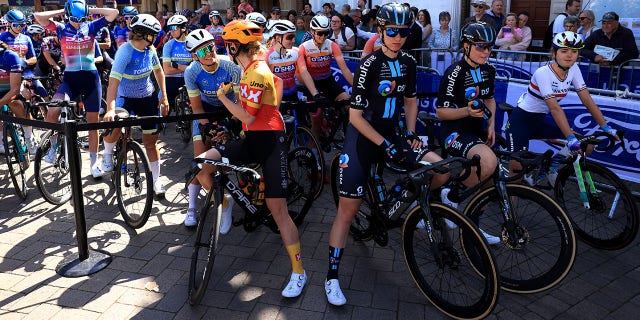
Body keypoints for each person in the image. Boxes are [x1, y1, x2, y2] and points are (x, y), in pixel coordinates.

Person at [326, 3, 448, 306]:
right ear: (380, 31)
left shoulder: (407, 62)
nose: (397, 36)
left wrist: (408, 132)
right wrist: (386, 144)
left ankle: (401, 200)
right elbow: (355, 118)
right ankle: (331, 276)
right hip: (363, 136)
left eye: (403, 31)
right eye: (391, 31)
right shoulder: (369, 64)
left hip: (393, 132)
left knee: (440, 170)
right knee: (348, 210)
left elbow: (410, 101)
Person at [195, 19, 308, 299]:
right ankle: (228, 202)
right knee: (202, 165)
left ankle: (299, 272)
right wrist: (240, 94)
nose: (225, 49)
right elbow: (275, 84)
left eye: (227, 45)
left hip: (270, 142)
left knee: (277, 209)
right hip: (251, 139)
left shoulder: (256, 70)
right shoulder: (249, 69)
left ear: (233, 46)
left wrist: (224, 97)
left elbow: (246, 115)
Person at [505, 31, 617, 175]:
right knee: (517, 171)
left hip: (539, 121)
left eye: (574, 51)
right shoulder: (543, 72)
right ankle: (508, 195)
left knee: (586, 146)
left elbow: (587, 100)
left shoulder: (574, 69)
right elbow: (554, 108)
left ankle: (546, 172)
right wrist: (570, 138)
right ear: (554, 53)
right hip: (521, 121)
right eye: (564, 51)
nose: (570, 55)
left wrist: (607, 128)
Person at [35, 0, 119, 178]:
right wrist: (62, 11)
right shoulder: (60, 28)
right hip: (70, 80)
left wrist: (90, 10)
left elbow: (113, 13)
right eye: (74, 18)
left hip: (90, 79)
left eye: (81, 18)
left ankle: (94, 164)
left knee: (92, 125)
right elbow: (38, 17)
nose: (78, 22)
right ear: (67, 15)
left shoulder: (90, 27)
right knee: (52, 112)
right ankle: (54, 146)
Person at [435, 22, 500, 245]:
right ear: (466, 46)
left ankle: (474, 226)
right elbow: (441, 113)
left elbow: (490, 98)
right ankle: (452, 195)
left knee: (492, 182)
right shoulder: (454, 72)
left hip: (476, 132)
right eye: (480, 46)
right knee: (489, 163)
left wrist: (491, 125)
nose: (486, 52)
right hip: (453, 131)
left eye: (489, 47)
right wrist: (466, 111)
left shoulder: (488, 70)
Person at [102, 14, 169, 195]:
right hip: (126, 97)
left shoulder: (151, 50)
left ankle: (156, 180)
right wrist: (110, 109)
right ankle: (107, 151)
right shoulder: (125, 51)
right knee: (116, 124)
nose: (156, 37)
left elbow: (159, 73)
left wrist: (164, 96)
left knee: (150, 143)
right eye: (154, 34)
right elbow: (113, 83)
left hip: (147, 97)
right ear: (145, 34)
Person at [182, 29, 241, 228]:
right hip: (205, 112)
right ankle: (193, 206)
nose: (208, 53)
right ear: (193, 56)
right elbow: (197, 107)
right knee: (198, 161)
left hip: (230, 110)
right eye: (201, 52)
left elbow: (241, 102)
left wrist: (229, 124)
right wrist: (207, 129)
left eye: (210, 47)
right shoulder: (192, 72)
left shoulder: (230, 67)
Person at [297, 14, 353, 140]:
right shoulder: (304, 48)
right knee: (316, 124)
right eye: (319, 33)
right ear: (312, 31)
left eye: (326, 33)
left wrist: (357, 87)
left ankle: (347, 138)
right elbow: (304, 72)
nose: (323, 37)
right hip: (311, 82)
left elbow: (344, 68)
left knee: (350, 106)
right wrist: (315, 94)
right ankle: (314, 152)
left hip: (327, 81)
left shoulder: (332, 45)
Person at [162, 15, 192, 114]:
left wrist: (176, 65)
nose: (171, 31)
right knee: (161, 104)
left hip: (188, 78)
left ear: (183, 28)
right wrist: (187, 68)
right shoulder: (168, 45)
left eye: (174, 28)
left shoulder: (192, 43)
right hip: (171, 79)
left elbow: (198, 66)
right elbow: (167, 70)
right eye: (170, 28)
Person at [0, 41, 25, 155]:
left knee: (17, 105)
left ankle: (29, 137)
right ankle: (1, 142)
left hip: (10, 90)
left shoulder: (10, 56)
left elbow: (15, 89)